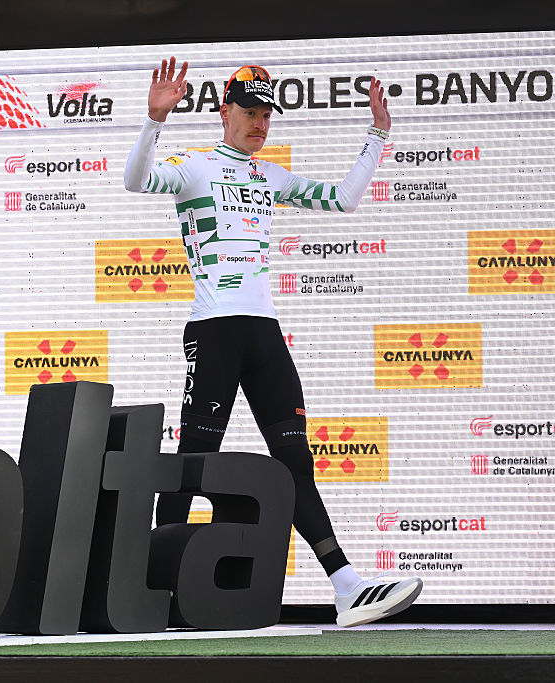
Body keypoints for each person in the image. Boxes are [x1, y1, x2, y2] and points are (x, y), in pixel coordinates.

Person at [124, 58, 422, 628]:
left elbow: (343, 199)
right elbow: (137, 180)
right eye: (250, 113)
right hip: (215, 330)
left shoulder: (273, 176)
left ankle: (345, 586)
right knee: (193, 461)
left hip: (264, 334)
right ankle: (150, 589)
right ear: (224, 112)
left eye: (266, 115)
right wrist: (153, 122)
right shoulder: (194, 167)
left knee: (294, 463)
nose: (260, 124)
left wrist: (378, 135)